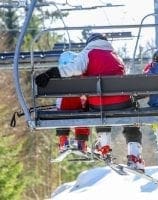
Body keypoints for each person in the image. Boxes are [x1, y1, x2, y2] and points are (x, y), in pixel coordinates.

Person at [35, 33, 145, 171]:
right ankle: (135, 157)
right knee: (132, 118)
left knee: (99, 111)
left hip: (98, 105)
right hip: (122, 103)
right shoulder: (116, 56)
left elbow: (73, 69)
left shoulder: (88, 53)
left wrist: (51, 73)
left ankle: (103, 145)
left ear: (90, 42)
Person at [55, 51, 90, 154]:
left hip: (63, 109)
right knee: (84, 115)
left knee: (60, 115)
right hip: (80, 107)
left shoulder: (59, 78)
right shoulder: (82, 77)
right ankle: (81, 141)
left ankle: (63, 140)